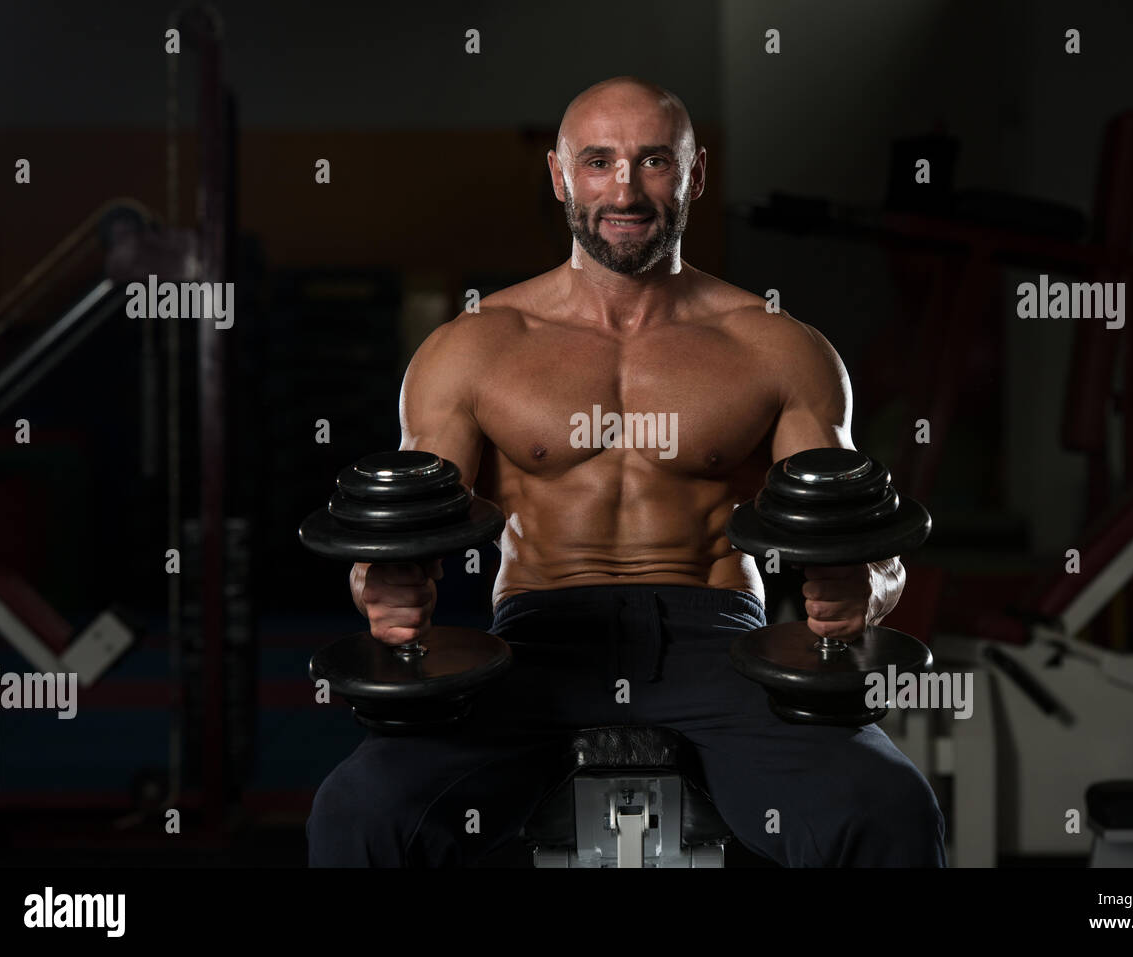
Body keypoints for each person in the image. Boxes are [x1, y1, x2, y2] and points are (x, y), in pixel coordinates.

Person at [307, 76, 945, 867]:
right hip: (539, 643)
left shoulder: (777, 346)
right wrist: (382, 587)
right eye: (599, 161)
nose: (625, 188)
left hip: (719, 644)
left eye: (653, 162)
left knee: (887, 803)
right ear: (558, 174)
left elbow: (866, 545)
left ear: (695, 173)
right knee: (360, 808)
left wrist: (866, 592)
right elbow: (395, 539)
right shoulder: (473, 347)